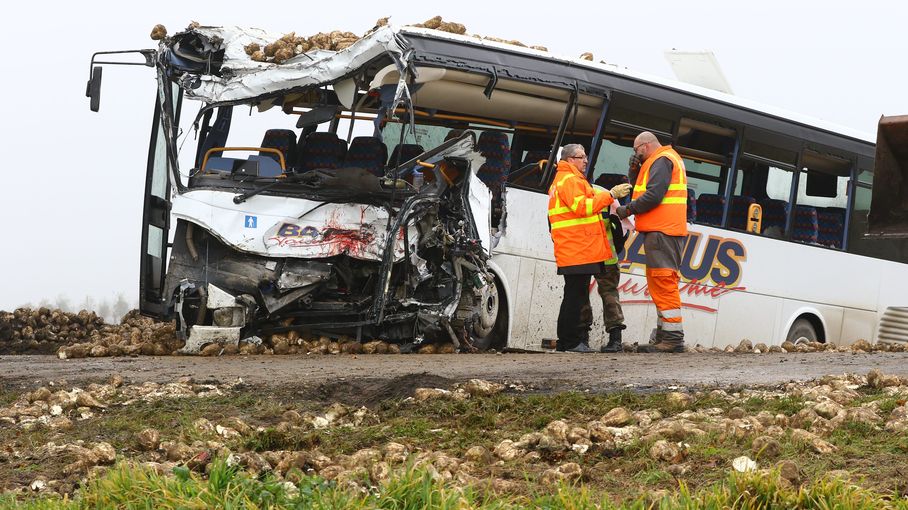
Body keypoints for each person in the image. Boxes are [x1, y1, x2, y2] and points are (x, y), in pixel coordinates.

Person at [548, 144, 632, 352]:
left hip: (582, 250)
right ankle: (572, 342)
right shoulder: (570, 180)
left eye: (586, 157)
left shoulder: (572, 181)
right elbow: (584, 208)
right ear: (569, 160)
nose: (586, 160)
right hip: (578, 250)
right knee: (575, 297)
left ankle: (573, 341)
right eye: (581, 157)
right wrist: (610, 194)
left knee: (575, 295)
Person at [616, 132, 688, 353]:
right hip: (662, 230)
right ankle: (664, 336)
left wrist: (627, 210)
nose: (635, 154)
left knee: (663, 281)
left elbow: (654, 195)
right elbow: (642, 188)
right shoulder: (663, 159)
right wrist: (634, 171)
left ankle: (673, 338)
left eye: (636, 150)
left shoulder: (662, 160)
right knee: (659, 282)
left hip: (662, 230)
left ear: (645, 146)